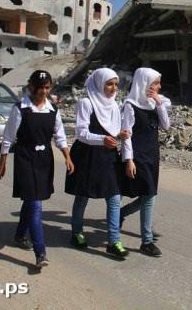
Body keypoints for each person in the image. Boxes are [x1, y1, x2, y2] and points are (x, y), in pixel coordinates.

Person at [0, 70, 74, 268]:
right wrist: (2, 162)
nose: (44, 92)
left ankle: (20, 235)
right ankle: (40, 252)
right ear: (31, 86)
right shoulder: (20, 109)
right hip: (25, 158)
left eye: (47, 88)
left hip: (44, 160)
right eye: (40, 88)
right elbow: (8, 137)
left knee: (31, 201)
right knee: (35, 204)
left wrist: (67, 157)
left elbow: (60, 136)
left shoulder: (52, 109)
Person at [66, 68, 130, 258]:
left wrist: (119, 135)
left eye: (116, 84)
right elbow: (81, 133)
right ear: (99, 84)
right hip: (87, 155)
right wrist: (102, 139)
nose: (113, 88)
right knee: (82, 196)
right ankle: (77, 232)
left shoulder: (114, 105)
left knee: (114, 197)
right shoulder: (86, 103)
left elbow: (113, 131)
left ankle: (114, 241)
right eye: (109, 84)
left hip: (108, 156)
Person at [119, 67, 170, 257]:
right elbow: (126, 135)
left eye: (158, 83)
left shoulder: (154, 103)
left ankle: (121, 214)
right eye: (155, 83)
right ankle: (146, 241)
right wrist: (129, 160)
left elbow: (165, 126)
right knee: (149, 195)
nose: (158, 87)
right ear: (144, 83)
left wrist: (159, 103)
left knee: (149, 195)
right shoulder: (130, 105)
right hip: (138, 156)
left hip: (152, 155)